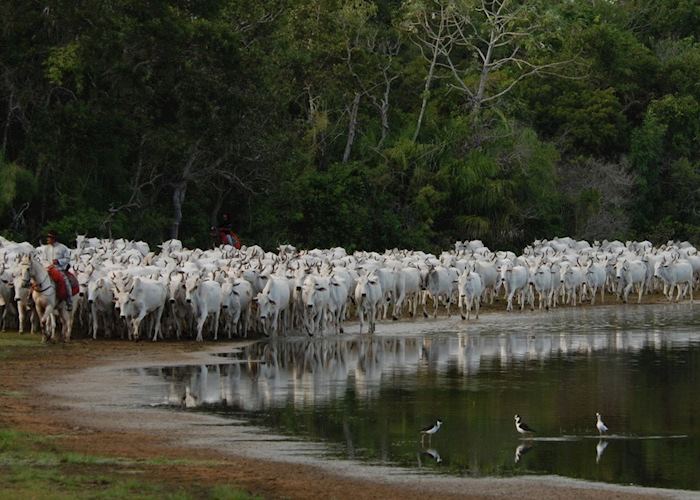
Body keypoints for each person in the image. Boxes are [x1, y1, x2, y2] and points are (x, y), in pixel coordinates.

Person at [44, 230, 73, 311]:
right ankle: (30, 299)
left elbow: (67, 259)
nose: (47, 239)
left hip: (59, 269)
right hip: (48, 269)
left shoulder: (62, 248)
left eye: (49, 238)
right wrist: (47, 265)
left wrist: (58, 261)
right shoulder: (46, 248)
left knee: (66, 282)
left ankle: (69, 302)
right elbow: (44, 259)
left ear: (54, 239)